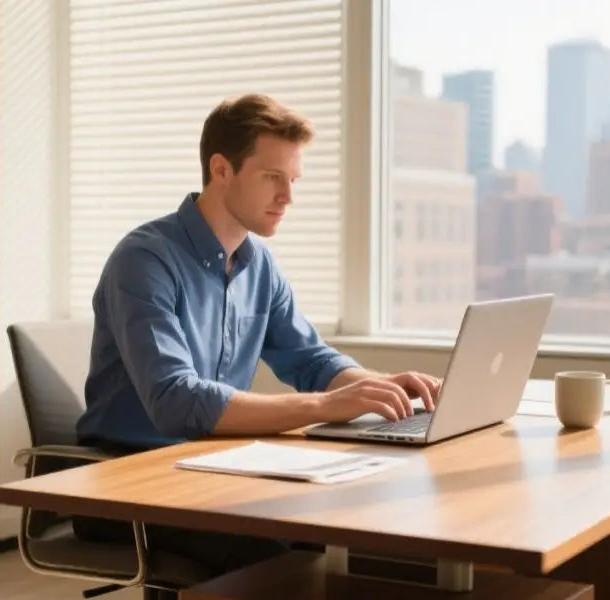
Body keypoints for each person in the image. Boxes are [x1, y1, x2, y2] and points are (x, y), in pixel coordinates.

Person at [71, 93, 444, 577]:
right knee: (287, 540)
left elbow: (310, 360)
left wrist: (390, 387)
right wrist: (326, 407)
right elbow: (176, 401)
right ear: (221, 169)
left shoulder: (258, 265)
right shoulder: (145, 260)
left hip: (213, 469)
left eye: (292, 180)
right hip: (131, 484)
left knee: (357, 522)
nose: (288, 197)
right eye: (273, 178)